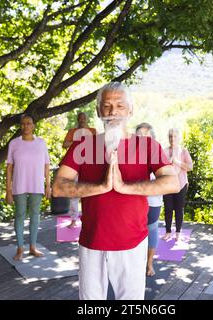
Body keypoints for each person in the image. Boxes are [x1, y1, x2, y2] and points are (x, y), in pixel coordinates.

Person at [52, 82, 180, 300]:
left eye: (120, 106)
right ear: (98, 111)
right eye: (107, 106)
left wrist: (124, 187)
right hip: (92, 241)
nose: (113, 112)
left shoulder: (147, 146)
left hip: (132, 242)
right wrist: (101, 187)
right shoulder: (82, 146)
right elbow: (57, 187)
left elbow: (172, 183)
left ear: (130, 110)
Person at [6, 113, 51, 261]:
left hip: (36, 185)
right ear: (21, 126)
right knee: (19, 216)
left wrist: (48, 186)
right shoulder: (14, 143)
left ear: (33, 126)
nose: (26, 126)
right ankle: (20, 248)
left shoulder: (41, 143)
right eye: (23, 124)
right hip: (19, 184)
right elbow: (9, 168)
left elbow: (46, 165)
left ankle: (32, 247)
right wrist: (8, 190)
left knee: (35, 216)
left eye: (29, 123)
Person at [135, 122, 163, 277]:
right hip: (134, 202)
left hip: (152, 202)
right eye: (139, 136)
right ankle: (135, 262)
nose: (142, 140)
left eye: (146, 137)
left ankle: (149, 263)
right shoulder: (129, 156)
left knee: (151, 230)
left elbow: (165, 181)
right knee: (134, 232)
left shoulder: (158, 155)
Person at [62, 112, 97, 228]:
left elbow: (99, 145)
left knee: (88, 193)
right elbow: (65, 144)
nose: (82, 120)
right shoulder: (72, 131)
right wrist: (79, 142)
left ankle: (88, 218)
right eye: (80, 118)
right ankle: (73, 219)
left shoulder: (93, 131)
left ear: (87, 119)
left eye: (84, 118)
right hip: (74, 165)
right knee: (73, 193)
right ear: (77, 120)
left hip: (90, 165)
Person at [162, 128, 193, 242]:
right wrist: (169, 162)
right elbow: (160, 168)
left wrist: (177, 162)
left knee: (179, 209)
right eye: (170, 136)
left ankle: (178, 233)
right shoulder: (164, 151)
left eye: (174, 136)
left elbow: (190, 167)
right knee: (168, 208)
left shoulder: (184, 151)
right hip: (167, 184)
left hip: (181, 184)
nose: (172, 139)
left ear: (178, 138)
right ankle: (168, 232)